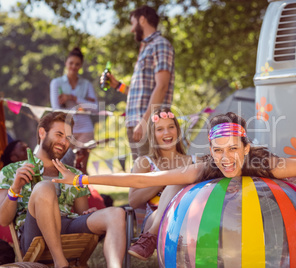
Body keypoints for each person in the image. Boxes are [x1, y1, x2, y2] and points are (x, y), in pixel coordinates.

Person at [52, 112, 296, 259]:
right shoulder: (204, 166)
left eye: (233, 149)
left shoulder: (264, 162)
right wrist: (82, 178)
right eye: (218, 150)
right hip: (216, 235)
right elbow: (145, 179)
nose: (226, 158)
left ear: (246, 147)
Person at [0, 112, 125, 268]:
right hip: (33, 233)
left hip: (67, 225)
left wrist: (88, 215)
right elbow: (3, 220)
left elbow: (81, 214)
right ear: (42, 133)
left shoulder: (75, 175)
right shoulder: (11, 171)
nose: (63, 142)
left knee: (116, 213)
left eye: (68, 138)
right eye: (59, 134)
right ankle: (61, 263)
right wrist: (15, 188)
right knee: (44, 187)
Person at [101, 5, 175, 162]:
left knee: (150, 177)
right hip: (136, 122)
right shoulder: (145, 48)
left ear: (142, 19)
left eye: (133, 23)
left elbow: (162, 86)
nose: (131, 29)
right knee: (139, 174)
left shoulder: (159, 44)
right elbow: (142, 93)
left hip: (149, 124)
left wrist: (144, 121)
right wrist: (117, 85)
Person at [127, 107, 200, 260]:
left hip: (189, 216)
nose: (167, 133)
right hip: (154, 220)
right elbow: (133, 201)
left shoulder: (194, 161)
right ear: (153, 135)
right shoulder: (145, 163)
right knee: (177, 180)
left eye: (171, 127)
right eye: (160, 129)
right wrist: (164, 179)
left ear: (177, 131)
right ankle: (151, 235)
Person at [50, 47, 98, 168]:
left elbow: (95, 107)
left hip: (85, 129)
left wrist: (72, 97)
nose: (74, 66)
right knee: (63, 164)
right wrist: (83, 104)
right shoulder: (57, 83)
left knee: (81, 167)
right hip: (65, 129)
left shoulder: (86, 84)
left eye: (77, 64)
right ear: (66, 63)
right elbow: (56, 109)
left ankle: (82, 187)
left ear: (81, 66)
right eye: (71, 63)